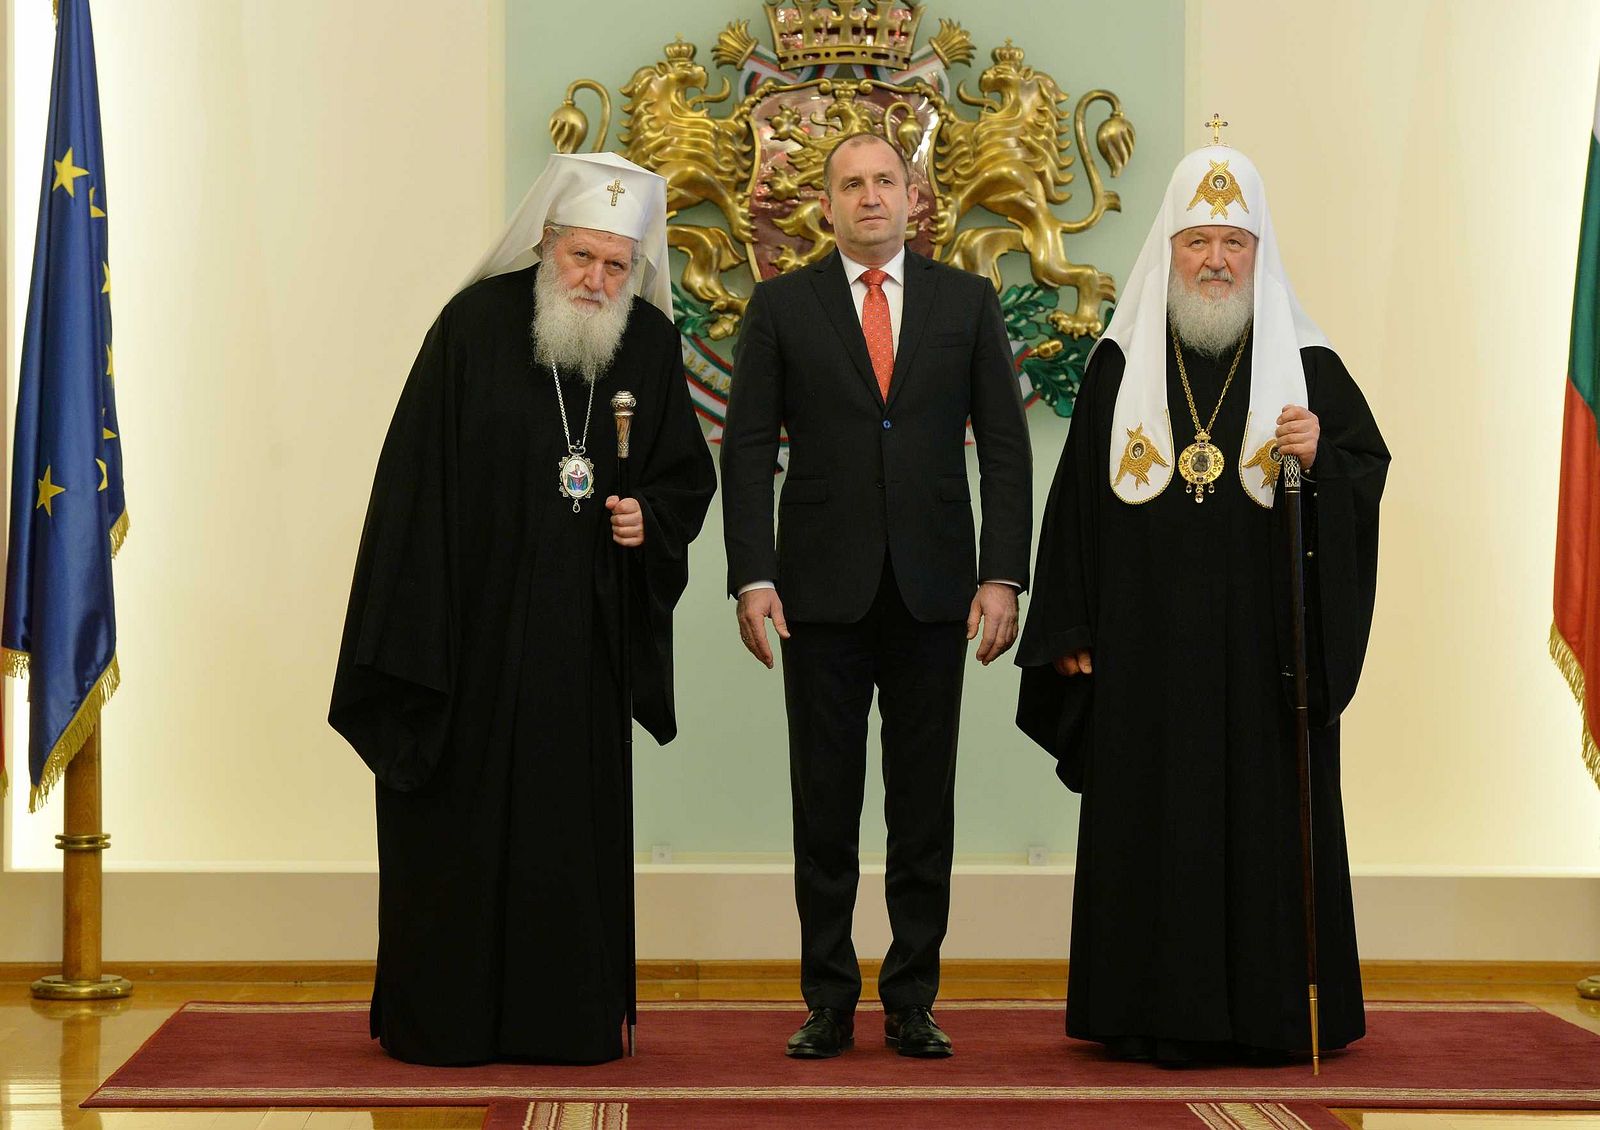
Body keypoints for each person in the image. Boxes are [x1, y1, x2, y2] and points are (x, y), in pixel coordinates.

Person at [329, 152, 716, 1066]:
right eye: (582, 257)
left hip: (581, 645)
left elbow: (682, 479)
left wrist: (647, 518)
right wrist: (420, 629)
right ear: (545, 242)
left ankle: (562, 1021)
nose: (597, 281)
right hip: (465, 636)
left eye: (617, 265)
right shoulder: (471, 327)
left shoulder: (648, 346)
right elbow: (412, 487)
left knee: (563, 838)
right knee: (456, 827)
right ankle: (446, 1022)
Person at [1015, 140, 1389, 1064]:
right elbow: (1076, 503)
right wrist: (1069, 623)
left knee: (1265, 825)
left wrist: (1320, 456)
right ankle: (1144, 1011)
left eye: (1233, 242)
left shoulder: (1306, 364)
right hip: (1143, 652)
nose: (1216, 261)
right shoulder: (1119, 364)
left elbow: (1364, 471)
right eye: (1198, 242)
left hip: (1268, 659)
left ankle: (1270, 1013)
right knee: (1153, 821)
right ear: (1169, 248)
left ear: (1258, 251)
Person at [721, 133, 1032, 1059]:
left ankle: (911, 999)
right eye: (851, 184)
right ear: (826, 205)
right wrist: (752, 574)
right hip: (818, 594)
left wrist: (1002, 574)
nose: (869, 197)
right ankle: (827, 998)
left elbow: (1006, 449)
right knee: (824, 807)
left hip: (936, 592)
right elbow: (747, 449)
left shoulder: (966, 302)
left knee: (922, 808)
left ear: (913, 195)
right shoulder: (782, 305)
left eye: (885, 181)